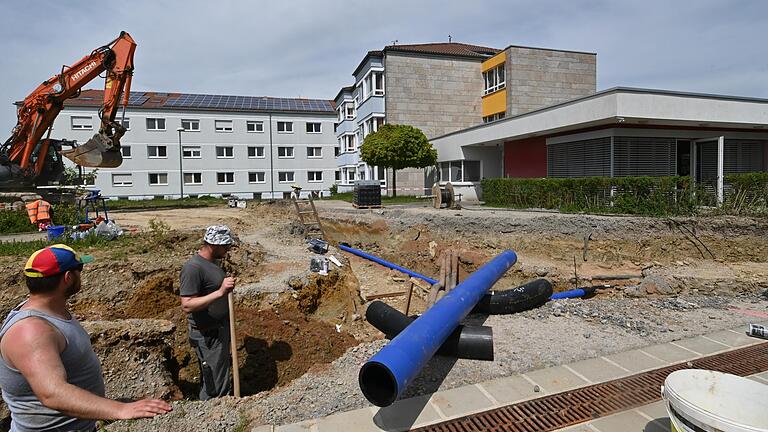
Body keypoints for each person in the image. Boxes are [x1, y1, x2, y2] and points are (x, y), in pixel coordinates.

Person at [0, 244, 172, 432]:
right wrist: (120, 409)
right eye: (79, 270)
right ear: (67, 278)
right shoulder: (31, 330)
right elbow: (52, 393)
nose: (81, 275)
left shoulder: (51, 311)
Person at [179, 225, 236, 400]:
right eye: (225, 246)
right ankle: (214, 416)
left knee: (219, 375)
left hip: (219, 330)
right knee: (214, 385)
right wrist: (220, 292)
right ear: (212, 245)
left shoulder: (213, 262)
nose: (228, 249)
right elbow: (187, 305)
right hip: (207, 335)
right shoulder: (193, 268)